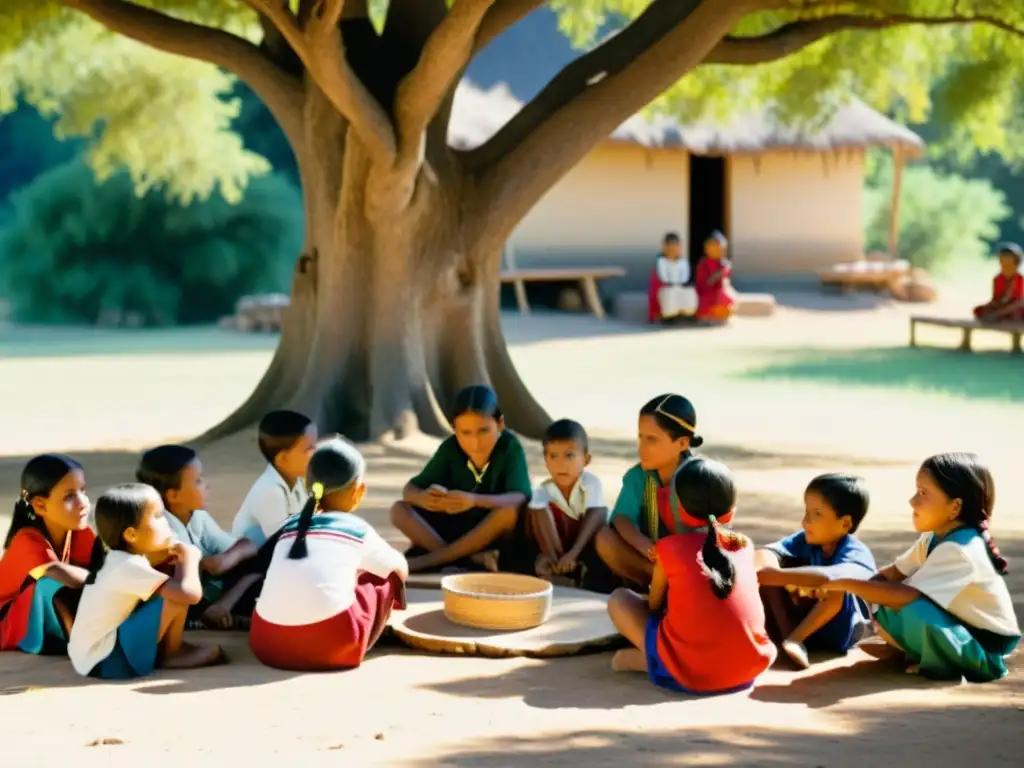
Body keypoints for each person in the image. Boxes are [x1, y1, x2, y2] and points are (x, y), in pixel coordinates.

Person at [818, 453, 1019, 682]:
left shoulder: (959, 549)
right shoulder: (933, 537)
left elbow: (908, 597)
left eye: (923, 493)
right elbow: (893, 573)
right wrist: (863, 593)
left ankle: (945, 663)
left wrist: (845, 584)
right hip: (961, 626)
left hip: (985, 645)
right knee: (884, 599)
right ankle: (908, 650)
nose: (912, 501)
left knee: (910, 608)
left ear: (954, 507)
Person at [607, 457, 776, 694]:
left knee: (620, 600)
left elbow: (655, 605)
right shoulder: (744, 546)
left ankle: (650, 662)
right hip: (747, 669)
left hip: (692, 673)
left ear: (679, 509)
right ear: (730, 513)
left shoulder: (668, 549)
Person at [250, 437, 407, 671]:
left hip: (266, 643)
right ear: (358, 490)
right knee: (385, 578)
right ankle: (367, 638)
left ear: (307, 486)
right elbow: (400, 569)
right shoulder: (357, 529)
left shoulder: (289, 527)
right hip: (332, 645)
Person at [68, 484, 225, 679]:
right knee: (174, 594)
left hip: (97, 657)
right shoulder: (127, 566)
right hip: (107, 661)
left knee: (170, 583)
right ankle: (171, 653)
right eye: (158, 516)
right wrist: (190, 559)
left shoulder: (120, 558)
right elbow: (190, 595)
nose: (166, 522)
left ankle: (170, 649)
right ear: (131, 534)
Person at [390, 385, 532, 574]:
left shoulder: (509, 446)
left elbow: (519, 497)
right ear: (454, 429)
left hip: (492, 532)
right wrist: (425, 498)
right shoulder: (450, 447)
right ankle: (467, 560)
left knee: (508, 512)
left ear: (500, 424)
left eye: (483, 431)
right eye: (465, 433)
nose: (475, 442)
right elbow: (410, 489)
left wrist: (474, 501)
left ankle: (427, 562)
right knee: (399, 509)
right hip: (454, 529)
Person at [756, 473, 877, 669]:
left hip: (842, 631)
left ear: (845, 523)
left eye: (816, 514)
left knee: (834, 586)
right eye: (806, 512)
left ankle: (795, 640)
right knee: (772, 578)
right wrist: (770, 573)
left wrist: (778, 576)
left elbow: (836, 576)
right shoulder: (804, 540)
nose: (805, 522)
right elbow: (766, 553)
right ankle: (787, 640)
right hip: (807, 623)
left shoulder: (856, 551)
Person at [137, 445, 262, 630]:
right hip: (192, 605)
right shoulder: (160, 530)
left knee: (262, 541)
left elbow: (246, 547)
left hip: (216, 594)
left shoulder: (196, 515)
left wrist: (225, 559)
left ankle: (228, 605)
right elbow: (171, 585)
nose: (206, 484)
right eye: (197, 481)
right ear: (173, 495)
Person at [594, 394, 701, 588]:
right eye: (640, 437)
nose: (641, 447)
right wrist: (647, 547)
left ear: (682, 444)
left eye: (652, 439)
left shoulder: (700, 477)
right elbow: (621, 519)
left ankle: (673, 585)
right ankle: (659, 583)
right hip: (650, 560)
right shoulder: (638, 476)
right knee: (604, 538)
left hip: (689, 561)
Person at [0, 455, 95, 655]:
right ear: (40, 505)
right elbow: (57, 572)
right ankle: (82, 647)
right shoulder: (26, 539)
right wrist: (108, 581)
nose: (83, 502)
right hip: (9, 622)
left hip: (43, 615)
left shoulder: (79, 531)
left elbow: (102, 563)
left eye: (83, 491)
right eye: (69, 496)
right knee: (50, 584)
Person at [524, 419, 615, 592]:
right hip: (558, 550)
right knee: (536, 509)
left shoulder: (590, 483)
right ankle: (559, 570)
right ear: (546, 461)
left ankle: (573, 572)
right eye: (553, 456)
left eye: (569, 456)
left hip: (584, 547)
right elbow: (538, 526)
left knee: (599, 512)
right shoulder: (543, 490)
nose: (561, 464)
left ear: (586, 460)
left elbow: (596, 517)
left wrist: (574, 553)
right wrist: (554, 558)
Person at [231, 410, 316, 545]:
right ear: (283, 459)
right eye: (309, 448)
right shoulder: (269, 490)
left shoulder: (297, 483)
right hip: (252, 558)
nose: (316, 452)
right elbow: (283, 541)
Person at [647, 232, 697, 324]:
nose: (672, 249)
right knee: (669, 293)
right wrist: (670, 284)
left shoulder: (683, 262)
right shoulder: (661, 261)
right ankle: (668, 316)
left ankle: (685, 314)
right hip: (666, 287)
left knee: (690, 292)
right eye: (669, 246)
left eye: (675, 246)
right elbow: (662, 277)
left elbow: (685, 277)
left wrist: (681, 284)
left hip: (680, 285)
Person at [973, 242, 1024, 321]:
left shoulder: (1020, 279)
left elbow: (1020, 302)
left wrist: (1000, 313)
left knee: (1017, 313)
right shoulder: (997, 279)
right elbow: (996, 299)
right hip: (1002, 306)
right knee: (979, 310)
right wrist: (992, 306)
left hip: (1016, 308)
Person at [694, 230, 736, 322]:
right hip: (705, 296)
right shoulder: (703, 264)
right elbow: (704, 283)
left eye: (721, 248)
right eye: (715, 247)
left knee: (727, 301)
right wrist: (715, 277)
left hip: (719, 296)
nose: (719, 250)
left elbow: (726, 280)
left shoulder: (724, 264)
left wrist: (723, 274)